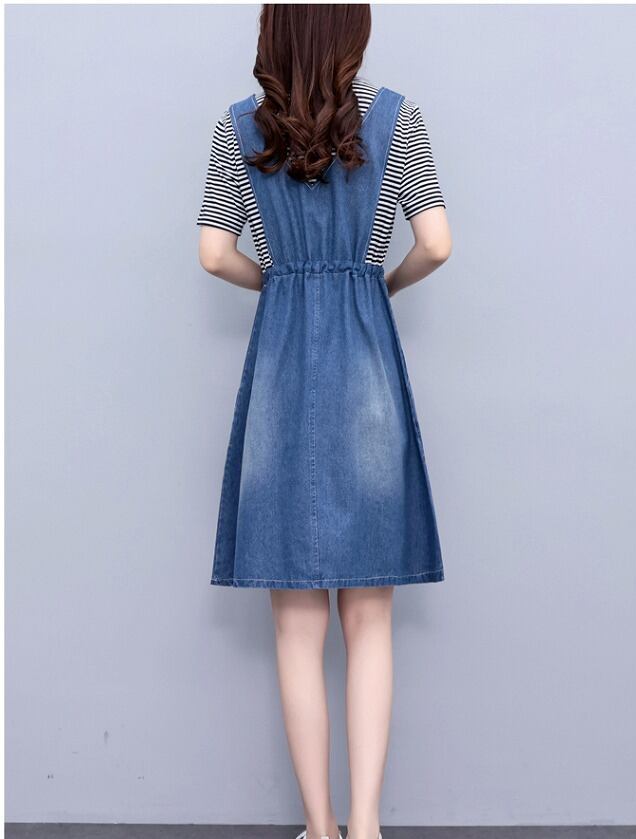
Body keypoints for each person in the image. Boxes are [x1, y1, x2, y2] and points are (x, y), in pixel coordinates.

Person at [196, 6, 452, 839]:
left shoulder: (238, 127)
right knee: (368, 619)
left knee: (295, 625)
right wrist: (377, 285)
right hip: (366, 364)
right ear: (352, 33)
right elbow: (436, 243)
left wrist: (280, 281)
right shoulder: (397, 118)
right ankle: (367, 827)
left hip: (282, 369)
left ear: (273, 33)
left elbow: (212, 252)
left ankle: (319, 826)